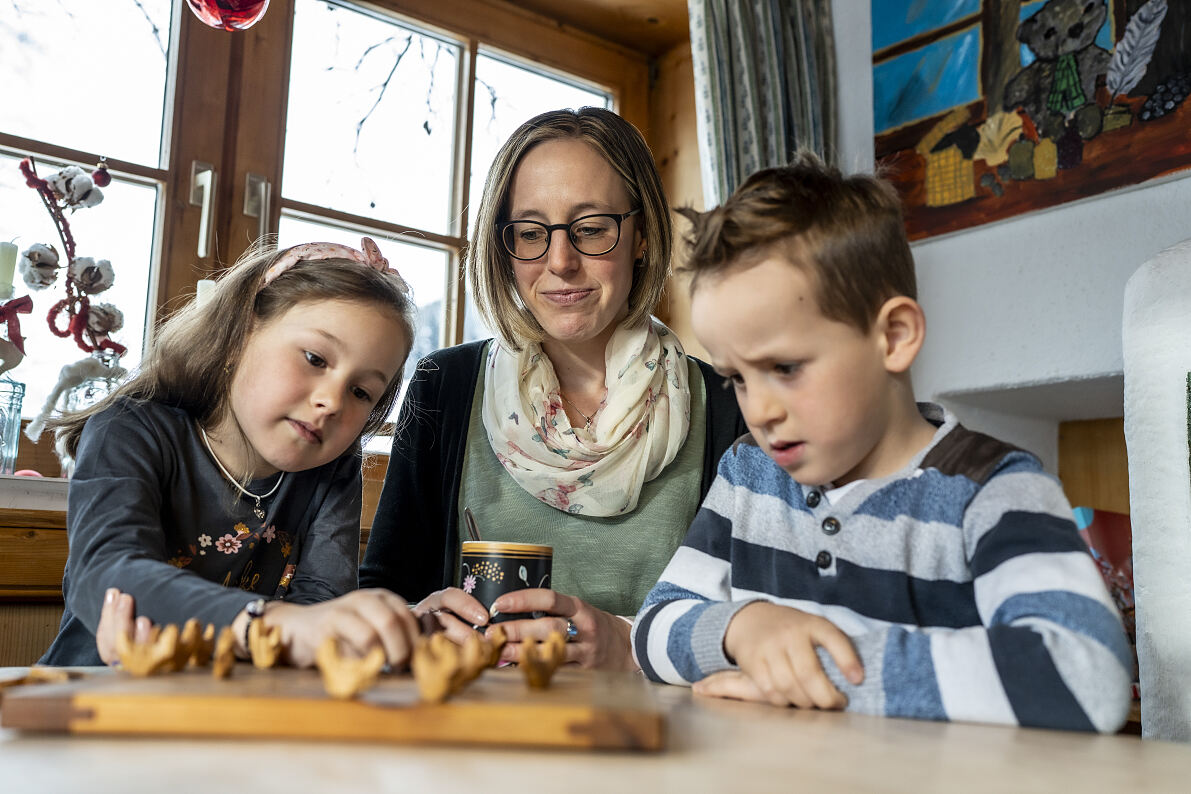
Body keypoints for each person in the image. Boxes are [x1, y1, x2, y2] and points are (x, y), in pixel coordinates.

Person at [631, 156, 1133, 732]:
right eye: (738, 378)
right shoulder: (749, 476)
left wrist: (818, 674)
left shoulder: (993, 490)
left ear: (894, 336)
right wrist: (742, 629)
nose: (760, 410)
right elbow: (651, 629)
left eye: (786, 367)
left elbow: (1086, 675)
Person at [361, 108, 745, 670]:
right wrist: (418, 617)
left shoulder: (728, 405)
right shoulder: (443, 386)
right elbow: (383, 595)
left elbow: (757, 618)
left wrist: (630, 646)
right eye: (530, 233)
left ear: (642, 236)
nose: (560, 262)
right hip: (472, 729)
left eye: (591, 229)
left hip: (661, 736)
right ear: (503, 245)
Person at [41, 238, 422, 668]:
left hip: (238, 717)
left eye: (361, 391)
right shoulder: (129, 430)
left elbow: (324, 611)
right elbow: (109, 577)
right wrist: (267, 626)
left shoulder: (332, 472)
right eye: (315, 358)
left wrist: (412, 622)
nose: (333, 402)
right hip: (84, 707)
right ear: (241, 332)